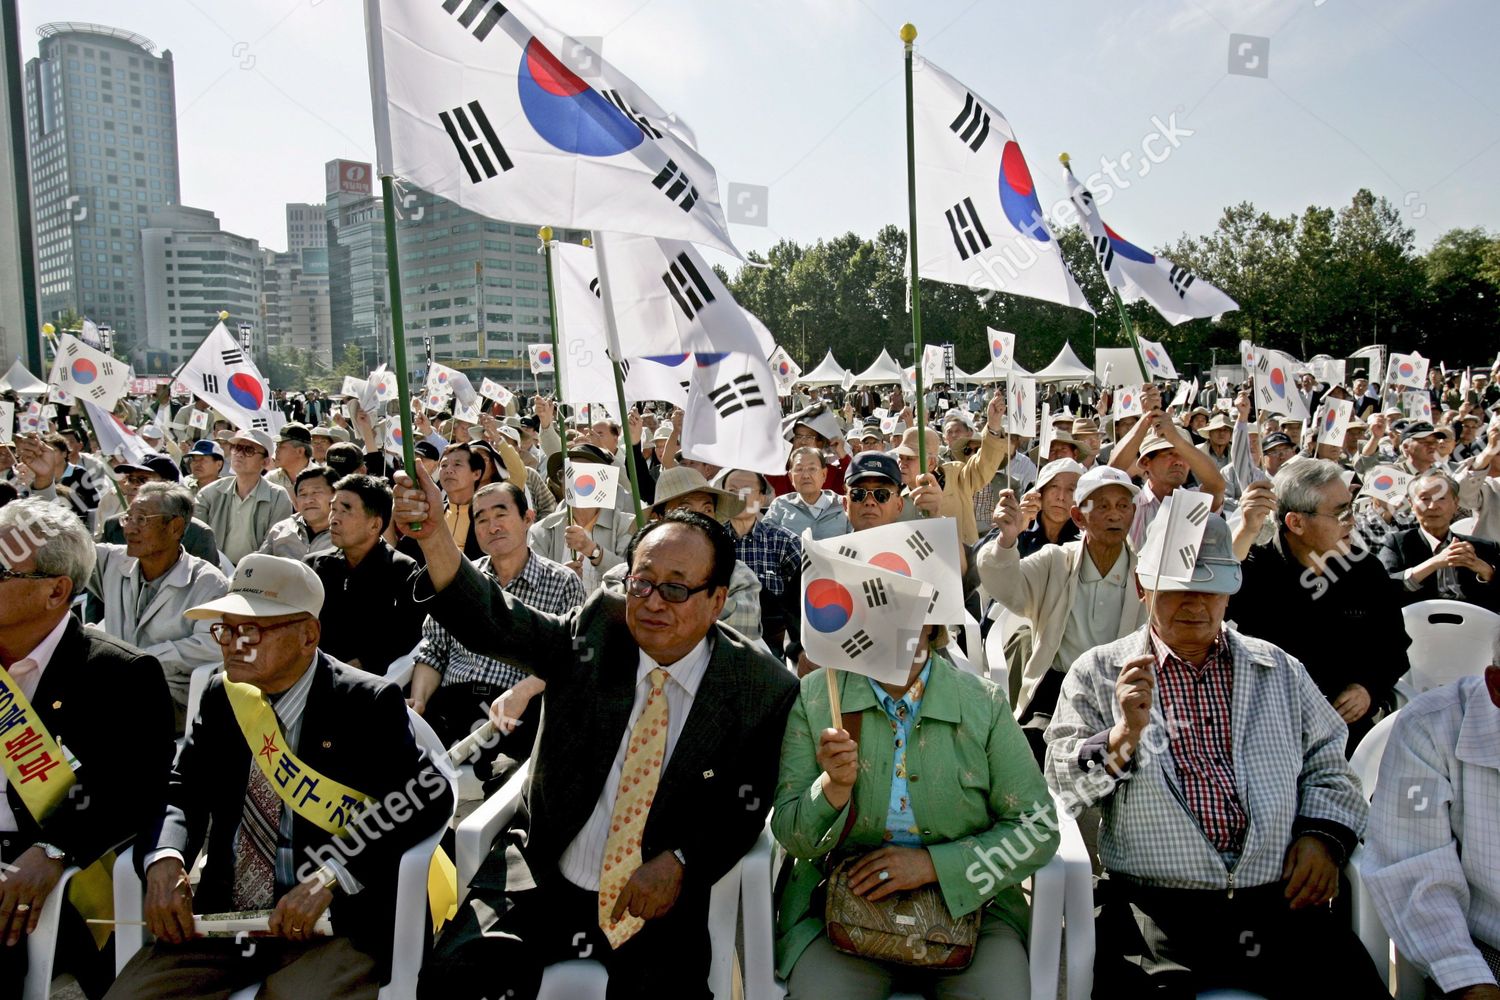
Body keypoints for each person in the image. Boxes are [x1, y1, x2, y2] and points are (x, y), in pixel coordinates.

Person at [392, 459, 800, 1000]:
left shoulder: (758, 687)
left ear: (717, 600)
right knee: (453, 980)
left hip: (654, 898)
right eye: (642, 582)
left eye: (676, 590)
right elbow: (495, 619)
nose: (652, 602)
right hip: (541, 875)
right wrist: (438, 538)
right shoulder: (601, 628)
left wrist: (681, 860)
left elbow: (745, 806)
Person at [1045, 514, 1387, 997]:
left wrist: (1321, 835)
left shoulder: (1277, 668)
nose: (1195, 603)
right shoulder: (1100, 672)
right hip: (1160, 910)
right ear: (1144, 588)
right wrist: (1123, 735)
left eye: (1211, 589)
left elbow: (1329, 765)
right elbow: (1064, 788)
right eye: (1178, 589)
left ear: (1231, 593)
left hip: (1277, 900)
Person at [106, 554, 454, 1000]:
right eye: (225, 630)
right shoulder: (222, 694)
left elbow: (427, 795)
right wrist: (166, 858)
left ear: (308, 635)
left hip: (336, 921)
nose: (232, 645)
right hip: (229, 920)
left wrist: (334, 875)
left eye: (250, 631)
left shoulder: (365, 702)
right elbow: (182, 788)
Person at [771, 624, 1057, 998]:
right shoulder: (817, 698)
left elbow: (1037, 828)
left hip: (975, 915)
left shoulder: (981, 703)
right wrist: (833, 788)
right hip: (839, 915)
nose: (892, 626)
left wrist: (932, 867)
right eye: (877, 607)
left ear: (932, 621)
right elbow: (791, 834)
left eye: (910, 610)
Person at [0, 499, 175, 998]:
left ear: (55, 590)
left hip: (38, 872)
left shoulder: (119, 675)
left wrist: (54, 848)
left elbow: (131, 791)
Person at [1229, 459, 1412, 750]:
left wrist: (1367, 688)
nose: (1351, 520)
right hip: (1267, 733)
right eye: (1340, 513)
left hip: (1345, 732)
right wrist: (1245, 531)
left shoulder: (1365, 570)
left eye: (1350, 508)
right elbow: (1213, 599)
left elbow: (1393, 647)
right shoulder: (1255, 569)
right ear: (1296, 522)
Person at [979, 465, 1148, 761]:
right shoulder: (1055, 562)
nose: (1115, 514)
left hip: (1117, 696)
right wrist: (1007, 540)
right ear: (1078, 516)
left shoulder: (1146, 573)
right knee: (1030, 752)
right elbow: (1003, 583)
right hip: (1056, 691)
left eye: (1123, 506)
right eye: (1103, 506)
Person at [1363, 654, 1500, 999]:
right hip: (1485, 952)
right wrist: (1469, 979)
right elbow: (1413, 865)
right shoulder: (1431, 726)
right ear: (1496, 686)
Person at [407, 481, 584, 748]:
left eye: (501, 515)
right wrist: (418, 699)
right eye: (482, 520)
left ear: (528, 519)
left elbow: (571, 655)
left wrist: (522, 692)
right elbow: (434, 649)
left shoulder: (562, 581)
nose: (493, 527)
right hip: (451, 702)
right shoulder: (461, 577)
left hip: (517, 710)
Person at [89, 482, 229, 731]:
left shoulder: (207, 582)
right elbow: (66, 551)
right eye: (127, 518)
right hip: (113, 685)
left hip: (169, 695)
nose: (129, 529)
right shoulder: (114, 560)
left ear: (175, 527)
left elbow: (212, 645)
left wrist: (141, 663)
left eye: (142, 519)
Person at [305, 475, 424, 674]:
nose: (334, 519)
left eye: (345, 510)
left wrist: (366, 662)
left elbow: (409, 634)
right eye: (333, 509)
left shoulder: (402, 570)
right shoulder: (314, 565)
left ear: (375, 525)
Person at [892, 392, 1009, 545]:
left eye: (910, 458)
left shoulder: (957, 477)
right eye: (901, 457)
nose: (902, 463)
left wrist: (993, 425)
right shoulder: (896, 498)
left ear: (931, 463)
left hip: (963, 564)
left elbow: (983, 466)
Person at [1378, 468, 1500, 611]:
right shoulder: (1396, 543)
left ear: (1455, 503)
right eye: (1424, 499)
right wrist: (1435, 562)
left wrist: (1486, 571)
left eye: (1441, 498)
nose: (1433, 506)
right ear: (1411, 504)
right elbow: (1383, 588)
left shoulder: (1483, 548)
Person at [718, 468, 803, 657]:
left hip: (774, 649)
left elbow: (804, 598)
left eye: (747, 491)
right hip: (718, 642)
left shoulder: (784, 542)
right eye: (732, 492)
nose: (740, 497)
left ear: (763, 498)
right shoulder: (710, 541)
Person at [1112, 412, 1227, 549]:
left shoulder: (1193, 502)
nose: (1179, 462)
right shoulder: (1130, 504)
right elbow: (1108, 476)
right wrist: (1145, 421)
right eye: (1169, 454)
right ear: (1146, 462)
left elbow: (1217, 486)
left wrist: (1175, 439)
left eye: (1185, 456)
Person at [528, 449, 639, 589]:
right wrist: (561, 577)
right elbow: (533, 581)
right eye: (568, 473)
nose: (575, 480)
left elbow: (631, 576)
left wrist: (592, 550)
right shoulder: (542, 530)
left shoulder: (627, 525)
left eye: (583, 472)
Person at [89, 452, 222, 565]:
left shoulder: (196, 534)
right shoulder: (114, 526)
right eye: (130, 479)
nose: (133, 486)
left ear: (167, 486)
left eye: (142, 480)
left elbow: (208, 586)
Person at [194, 429, 294, 565]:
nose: (239, 454)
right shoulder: (209, 493)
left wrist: (246, 571)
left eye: (248, 450)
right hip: (214, 570)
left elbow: (274, 543)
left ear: (265, 462)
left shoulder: (278, 497)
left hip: (257, 573)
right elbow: (197, 538)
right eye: (236, 448)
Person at [764, 446, 852, 541]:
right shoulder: (780, 505)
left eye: (812, 469)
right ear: (790, 477)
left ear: (824, 474)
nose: (805, 475)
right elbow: (762, 540)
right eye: (799, 469)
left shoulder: (844, 504)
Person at [260, 466, 338, 561]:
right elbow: (259, 565)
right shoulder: (281, 530)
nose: (308, 500)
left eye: (316, 492)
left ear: (335, 495)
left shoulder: (348, 533)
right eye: (303, 494)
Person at [266, 424, 314, 495]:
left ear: (300, 451)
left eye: (281, 447)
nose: (276, 451)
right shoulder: (271, 479)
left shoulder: (322, 478)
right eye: (277, 446)